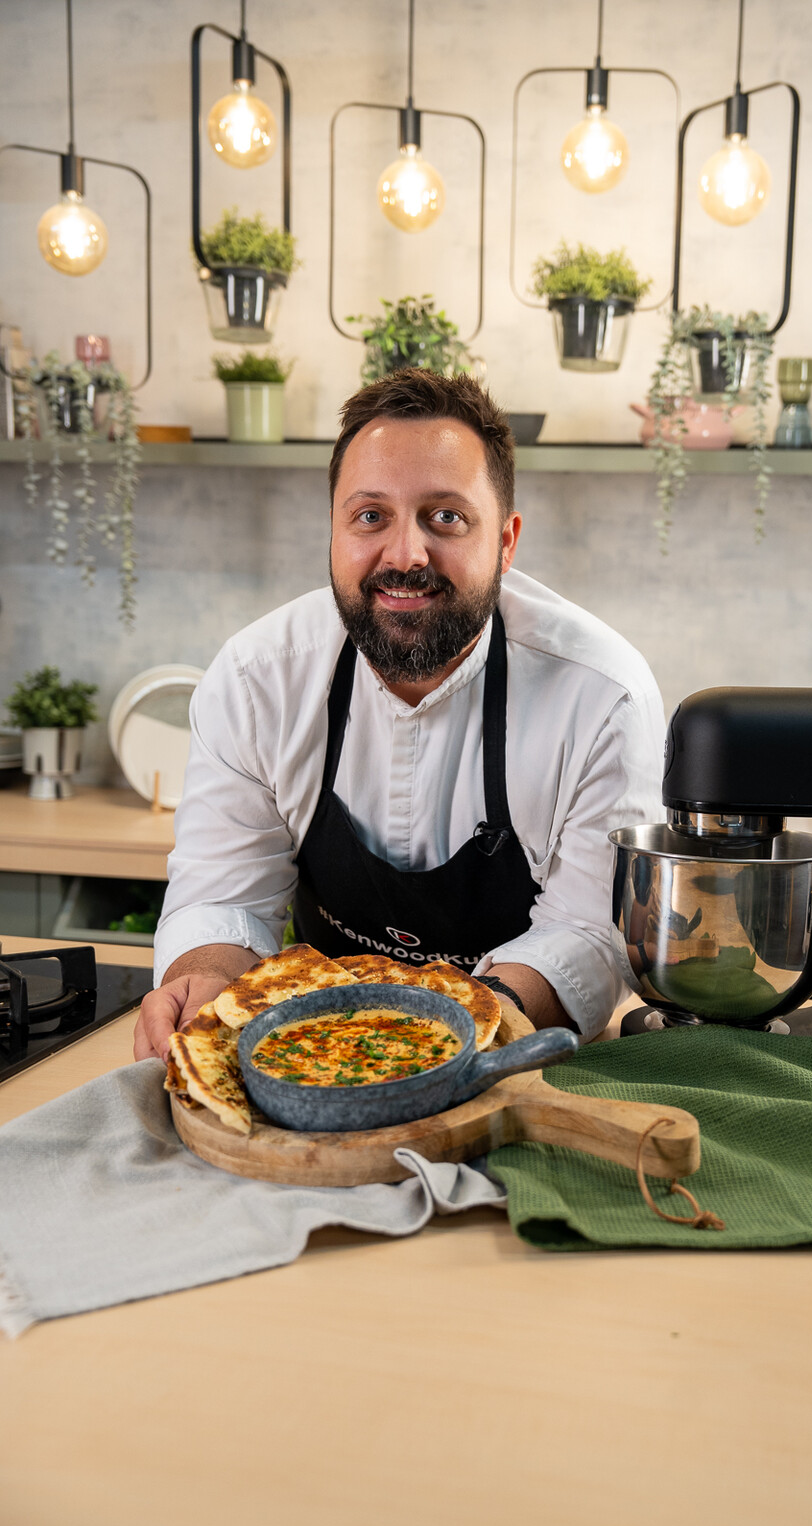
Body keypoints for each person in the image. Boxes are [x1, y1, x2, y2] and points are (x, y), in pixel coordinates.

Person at [134, 369, 665, 1061]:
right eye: (370, 516)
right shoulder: (256, 681)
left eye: (446, 517)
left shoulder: (600, 697)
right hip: (312, 1052)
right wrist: (205, 979)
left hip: (510, 1060)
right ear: (333, 532)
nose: (406, 555)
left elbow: (590, 933)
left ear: (506, 542)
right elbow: (223, 900)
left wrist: (448, 1035)